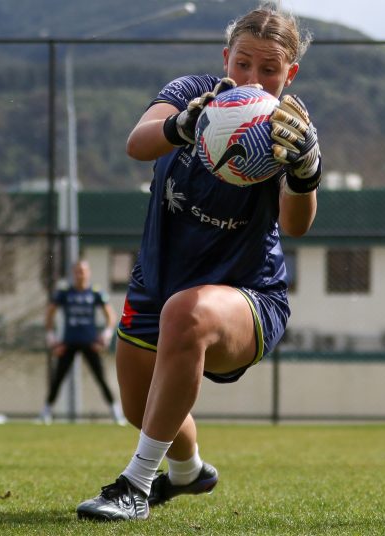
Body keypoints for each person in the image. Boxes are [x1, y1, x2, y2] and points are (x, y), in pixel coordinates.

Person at [76, 4, 321, 522]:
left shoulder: (288, 128)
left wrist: (305, 172)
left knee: (187, 314)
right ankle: (188, 471)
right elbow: (138, 143)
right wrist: (184, 125)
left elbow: (296, 225)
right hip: (156, 283)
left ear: (290, 73)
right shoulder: (191, 93)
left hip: (248, 298)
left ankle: (135, 486)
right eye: (243, 63)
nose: (252, 78)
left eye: (269, 69)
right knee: (140, 408)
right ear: (225, 57)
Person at [42, 259, 126, 426]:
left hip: (90, 343)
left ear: (88, 273)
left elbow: (110, 316)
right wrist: (51, 338)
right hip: (68, 343)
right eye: (78, 271)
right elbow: (50, 313)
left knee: (101, 378)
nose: (80, 274)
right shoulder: (65, 292)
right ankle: (46, 413)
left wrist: (106, 335)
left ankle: (116, 414)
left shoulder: (95, 292)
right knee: (57, 379)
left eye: (83, 271)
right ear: (73, 273)